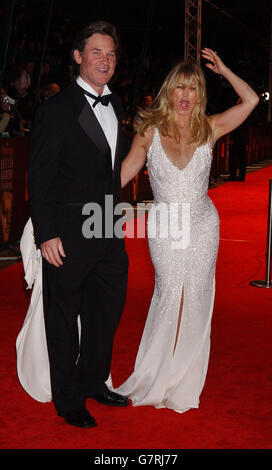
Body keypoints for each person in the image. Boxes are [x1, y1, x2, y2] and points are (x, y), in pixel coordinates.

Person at [116, 49, 259, 413]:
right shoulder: (149, 129)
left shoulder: (209, 127)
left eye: (193, 89)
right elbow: (125, 172)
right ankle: (156, 374)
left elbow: (251, 100)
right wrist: (78, 202)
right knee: (168, 295)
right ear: (169, 92)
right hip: (165, 224)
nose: (185, 95)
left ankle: (181, 377)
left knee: (194, 297)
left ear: (200, 95)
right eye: (179, 87)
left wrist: (224, 69)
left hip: (202, 224)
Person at [27, 21, 130, 428]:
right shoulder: (56, 110)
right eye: (96, 52)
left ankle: (93, 381)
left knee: (106, 313)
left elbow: (110, 170)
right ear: (78, 57)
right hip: (67, 232)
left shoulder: (118, 104)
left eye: (111, 54)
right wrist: (46, 233)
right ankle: (68, 397)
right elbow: (39, 176)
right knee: (64, 319)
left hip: (108, 230)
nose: (105, 61)